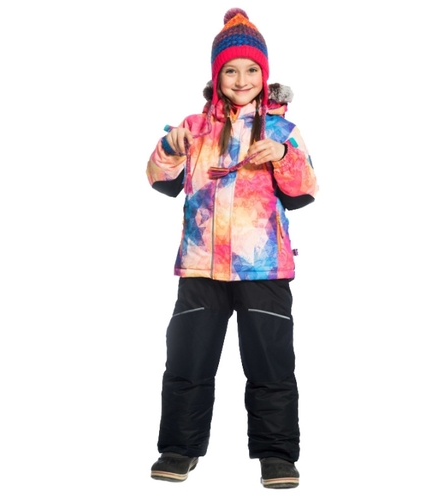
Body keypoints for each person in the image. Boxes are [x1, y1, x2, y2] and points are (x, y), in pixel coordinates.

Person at [146, 8, 318, 489]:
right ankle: (178, 449)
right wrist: (170, 150)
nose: (241, 80)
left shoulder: (281, 130)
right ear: (216, 76)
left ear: (265, 74)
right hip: (201, 268)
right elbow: (160, 181)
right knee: (186, 361)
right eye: (230, 71)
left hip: (263, 269)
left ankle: (277, 456)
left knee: (271, 365)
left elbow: (305, 190)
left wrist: (282, 156)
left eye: (251, 70)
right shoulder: (193, 128)